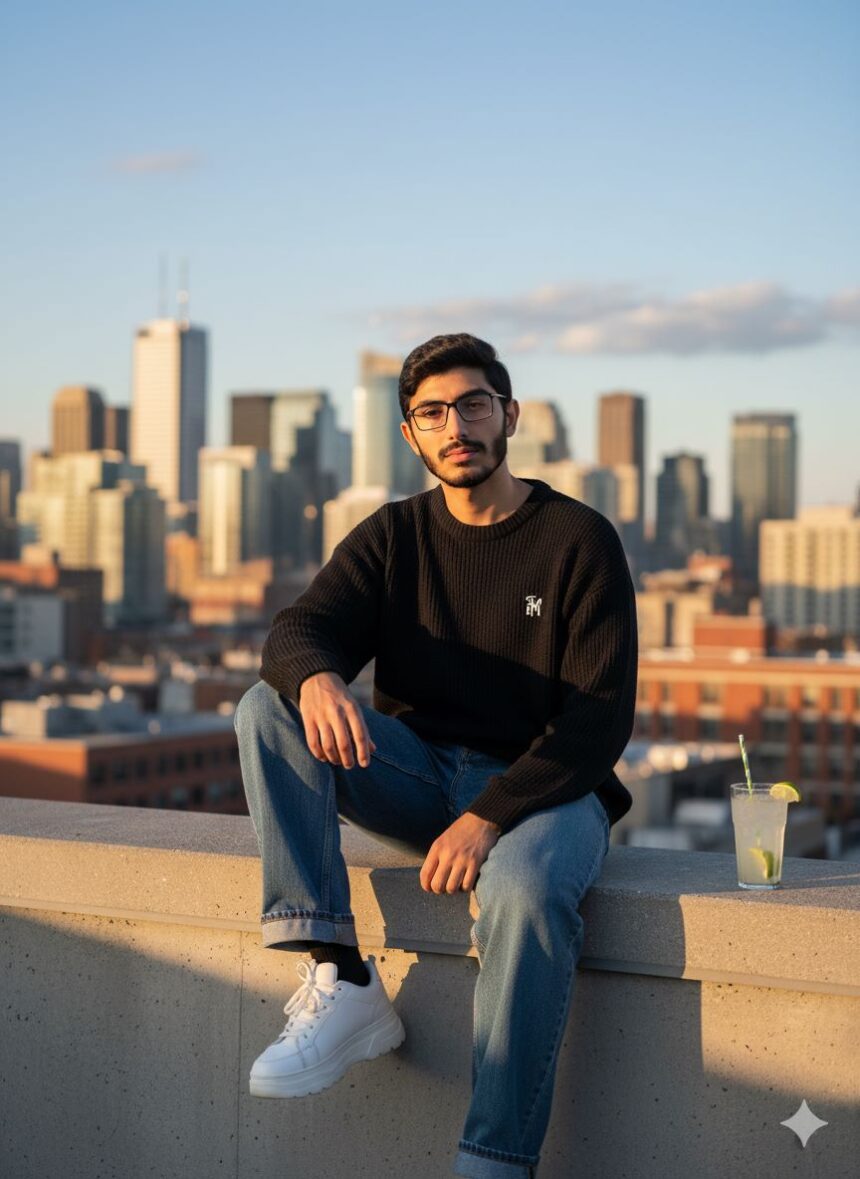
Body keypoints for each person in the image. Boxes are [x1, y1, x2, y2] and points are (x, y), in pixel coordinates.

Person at [234, 332, 638, 1179]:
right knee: (266, 708)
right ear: (411, 434)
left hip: (546, 791)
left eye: (474, 404)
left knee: (525, 890)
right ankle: (340, 973)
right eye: (432, 413)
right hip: (419, 771)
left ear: (510, 415)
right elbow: (298, 631)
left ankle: (493, 1158)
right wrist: (315, 680)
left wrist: (490, 817)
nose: (455, 426)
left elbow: (599, 721)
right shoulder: (393, 536)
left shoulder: (577, 539)